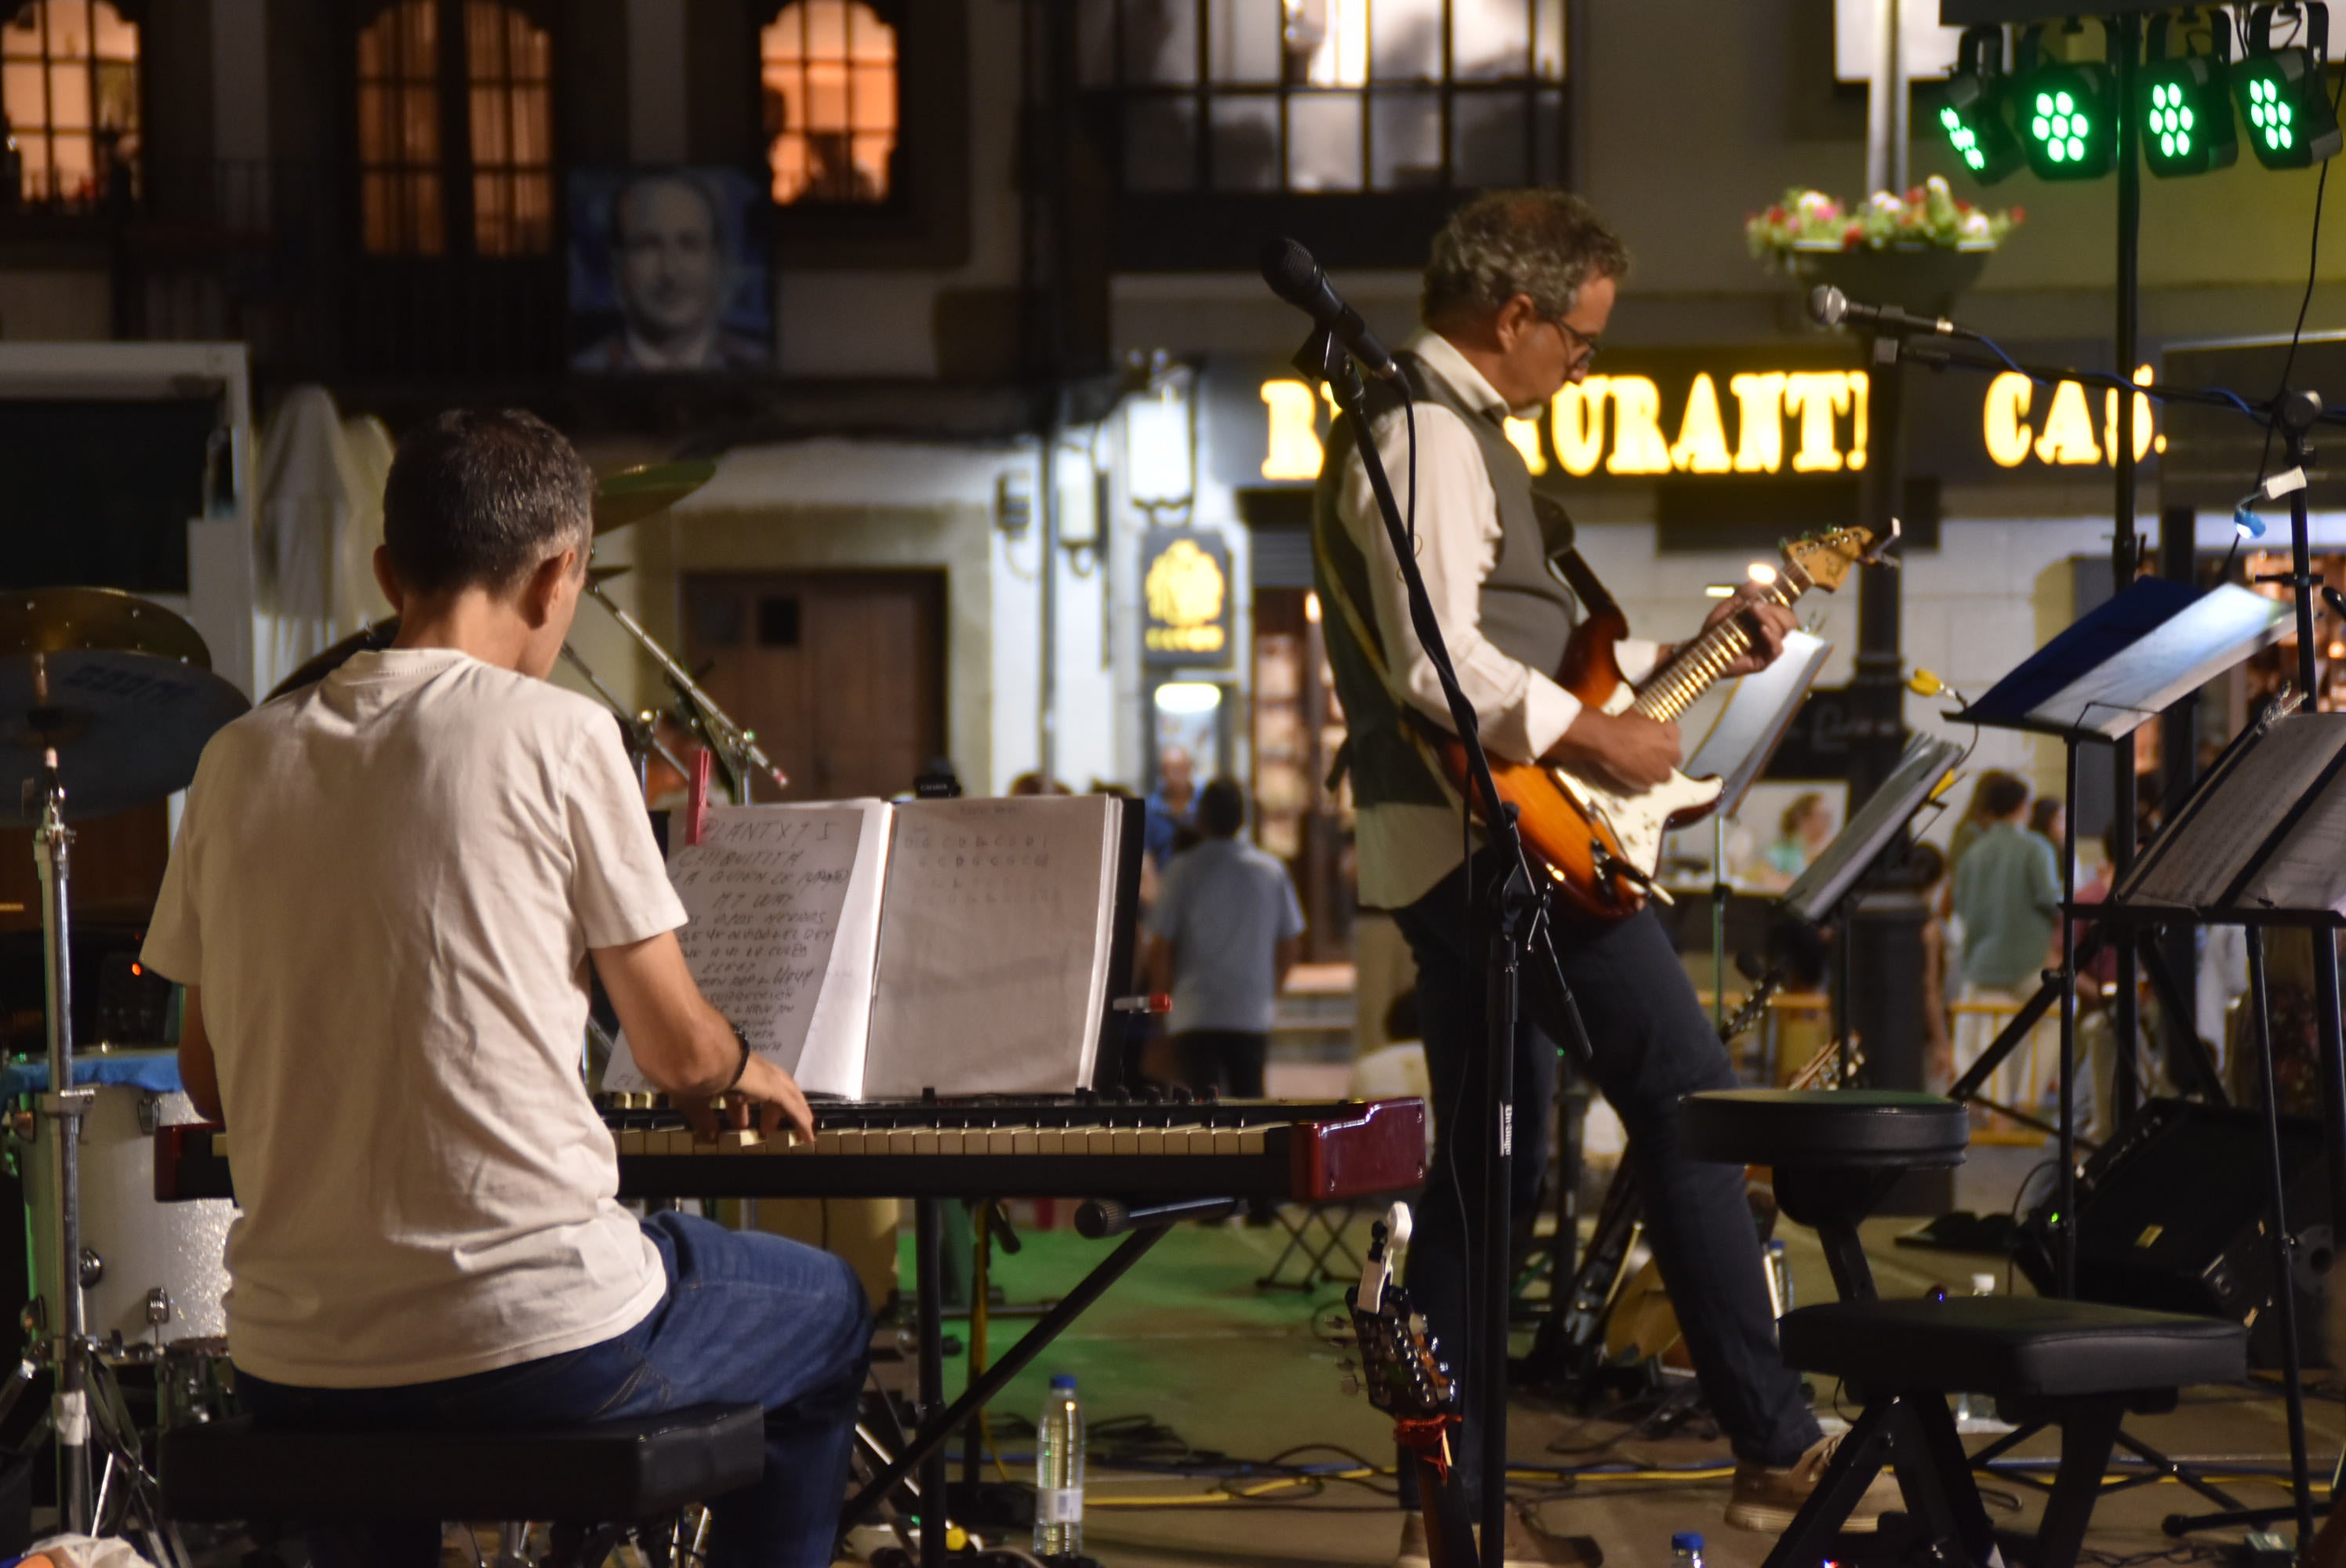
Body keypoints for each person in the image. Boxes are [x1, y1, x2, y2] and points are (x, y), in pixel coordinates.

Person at [142, 409, 868, 1568]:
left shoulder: (235, 762)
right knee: (827, 1314)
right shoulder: (563, 736)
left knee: (370, 1452)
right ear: (556, 574)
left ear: (386, 572)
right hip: (538, 1340)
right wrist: (742, 1070)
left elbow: (207, 1077)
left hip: (293, 1361)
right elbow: (678, 1053)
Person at [1310, 190, 1894, 1567]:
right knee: (1687, 1105)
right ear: (1510, 316)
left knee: (1479, 1187)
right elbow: (1429, 663)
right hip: (1493, 851)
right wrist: (1599, 731)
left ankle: (1444, 1517)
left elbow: (1514, 660)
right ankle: (1770, 1447)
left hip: (1465, 846)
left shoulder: (1462, 442)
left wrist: (1681, 665)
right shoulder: (1422, 433)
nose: (1585, 364)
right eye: (1577, 339)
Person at [1142, 776, 1306, 1102]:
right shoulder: (1271, 870)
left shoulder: (1182, 870)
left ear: (1201, 817)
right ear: (1242, 819)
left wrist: (1161, 1010)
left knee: (1203, 1108)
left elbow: (1161, 947)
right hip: (1250, 1008)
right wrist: (1271, 992)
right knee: (1251, 1100)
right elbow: (1290, 944)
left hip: (1194, 1010)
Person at [575, 171, 773, 373]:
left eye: (689, 244)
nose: (669, 271)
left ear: (717, 261)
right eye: (647, 245)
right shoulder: (585, 370)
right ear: (616, 265)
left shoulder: (759, 366)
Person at [1952, 771, 2064, 1115]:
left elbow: (1961, 907)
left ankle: (1997, 1113)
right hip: (2029, 963)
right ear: (2021, 806)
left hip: (1982, 965)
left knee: (1994, 1034)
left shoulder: (1974, 852)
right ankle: (2028, 1101)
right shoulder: (2035, 847)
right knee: (2059, 1013)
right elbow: (2051, 900)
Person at [1755, 792, 1832, 888]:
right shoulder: (1782, 852)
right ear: (1803, 820)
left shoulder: (1832, 850)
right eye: (1822, 816)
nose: (1828, 821)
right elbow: (1769, 879)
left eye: (1829, 816)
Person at [1144, 743, 1197, 868]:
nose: (1178, 775)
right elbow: (1146, 858)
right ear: (1163, 772)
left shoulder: (1203, 804)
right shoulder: (1150, 810)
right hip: (1164, 881)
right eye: (1172, 769)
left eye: (1182, 768)